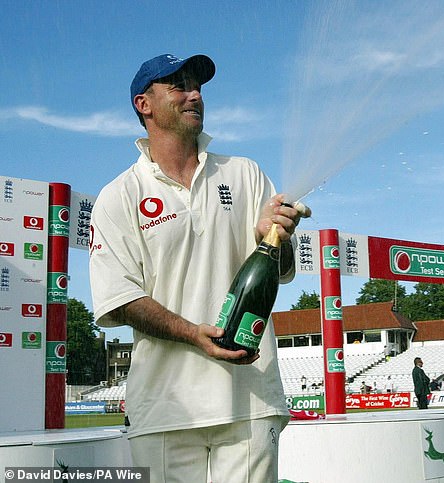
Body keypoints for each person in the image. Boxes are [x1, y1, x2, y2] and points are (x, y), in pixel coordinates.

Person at [89, 53, 305, 483]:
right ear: (143, 104)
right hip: (165, 406)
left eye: (198, 86)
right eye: (179, 86)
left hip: (249, 400)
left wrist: (274, 237)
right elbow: (122, 300)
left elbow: (278, 272)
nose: (195, 95)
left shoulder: (245, 173)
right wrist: (194, 334)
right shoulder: (118, 196)